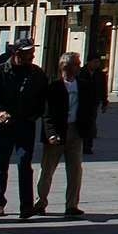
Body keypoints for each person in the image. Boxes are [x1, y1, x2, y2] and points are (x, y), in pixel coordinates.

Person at [0, 39, 47, 218]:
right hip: (4, 125)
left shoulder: (36, 73)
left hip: (26, 124)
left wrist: (35, 114)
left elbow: (43, 97)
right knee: (0, 164)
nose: (32, 55)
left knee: (24, 164)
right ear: (17, 54)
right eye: (28, 52)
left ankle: (26, 206)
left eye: (32, 52)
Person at [36, 52, 97, 217]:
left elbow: (90, 109)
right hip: (56, 133)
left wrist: (89, 130)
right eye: (76, 64)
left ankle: (71, 205)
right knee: (47, 169)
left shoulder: (84, 86)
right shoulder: (54, 87)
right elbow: (46, 114)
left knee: (75, 170)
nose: (79, 67)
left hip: (76, 132)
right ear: (66, 67)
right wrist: (51, 134)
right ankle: (40, 202)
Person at [77, 54, 110, 155]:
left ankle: (87, 146)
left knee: (91, 123)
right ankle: (79, 144)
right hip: (81, 102)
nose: (97, 64)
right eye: (95, 62)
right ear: (89, 62)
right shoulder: (80, 72)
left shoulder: (100, 74)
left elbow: (104, 89)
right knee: (80, 123)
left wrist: (104, 102)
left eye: (98, 62)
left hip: (93, 102)